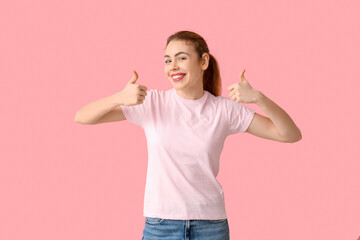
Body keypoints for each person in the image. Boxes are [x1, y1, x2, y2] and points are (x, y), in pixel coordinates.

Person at [74, 30, 302, 240]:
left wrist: (259, 99)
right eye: (167, 60)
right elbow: (83, 116)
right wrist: (118, 98)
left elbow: (290, 134)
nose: (172, 66)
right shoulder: (152, 103)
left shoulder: (224, 109)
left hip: (211, 226)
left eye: (181, 58)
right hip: (161, 225)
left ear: (203, 61)